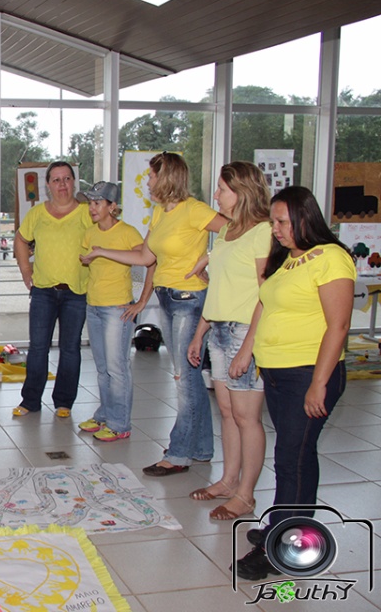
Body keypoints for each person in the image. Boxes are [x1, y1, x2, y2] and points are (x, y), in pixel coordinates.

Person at [235, 186, 355, 581]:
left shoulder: (332, 258)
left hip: (308, 374)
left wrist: (318, 384)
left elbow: (337, 326)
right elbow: (267, 306)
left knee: (293, 459)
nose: (277, 229)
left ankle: (284, 547)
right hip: (280, 374)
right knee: (294, 457)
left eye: (283, 221)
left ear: (306, 218)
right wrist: (248, 351)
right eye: (274, 222)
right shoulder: (289, 260)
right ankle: (285, 529)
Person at [82, 152, 226, 474]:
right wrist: (102, 251)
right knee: (189, 377)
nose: (148, 182)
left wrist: (209, 259)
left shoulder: (195, 210)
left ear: (167, 177)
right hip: (167, 299)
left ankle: (178, 454)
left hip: (190, 299)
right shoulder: (161, 213)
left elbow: (236, 230)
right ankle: (202, 447)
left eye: (152, 176)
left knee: (182, 380)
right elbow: (147, 257)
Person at [185, 162, 271, 521]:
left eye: (221, 189)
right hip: (219, 329)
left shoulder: (264, 231)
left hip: (244, 332)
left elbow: (268, 294)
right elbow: (218, 286)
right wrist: (200, 331)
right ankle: (227, 480)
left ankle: (246, 495)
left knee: (246, 416)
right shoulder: (228, 232)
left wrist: (249, 345)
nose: (216, 195)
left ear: (242, 191)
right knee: (227, 412)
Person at [13, 161, 92, 419]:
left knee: (70, 349)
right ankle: (30, 401)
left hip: (75, 292)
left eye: (67, 179)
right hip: (43, 291)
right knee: (38, 348)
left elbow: (105, 240)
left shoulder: (85, 213)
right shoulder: (37, 214)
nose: (62, 185)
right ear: (47, 185)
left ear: (74, 182)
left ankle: (64, 402)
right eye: (56, 180)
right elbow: (21, 239)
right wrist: (27, 272)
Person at [76, 181, 143, 441]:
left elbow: (142, 257)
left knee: (117, 368)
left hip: (117, 308)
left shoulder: (128, 232)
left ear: (112, 207)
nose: (92, 208)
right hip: (94, 305)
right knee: (103, 367)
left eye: (97, 203)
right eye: (90, 203)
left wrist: (104, 252)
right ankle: (105, 414)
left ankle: (120, 423)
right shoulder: (91, 234)